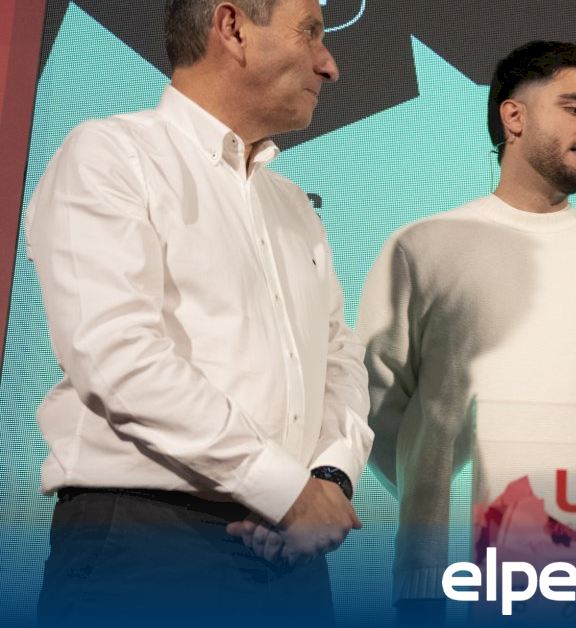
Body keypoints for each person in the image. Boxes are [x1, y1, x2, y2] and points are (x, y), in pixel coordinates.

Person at [25, 1, 372, 625]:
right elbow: (117, 357)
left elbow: (337, 355)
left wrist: (329, 476)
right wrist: (286, 489)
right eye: (310, 34)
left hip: (293, 555)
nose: (330, 66)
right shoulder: (112, 155)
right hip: (147, 549)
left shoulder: (292, 205)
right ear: (232, 28)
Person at [358, 41, 576, 622]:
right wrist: (435, 496)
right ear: (514, 116)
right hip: (448, 578)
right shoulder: (423, 245)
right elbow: (375, 404)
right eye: (575, 108)